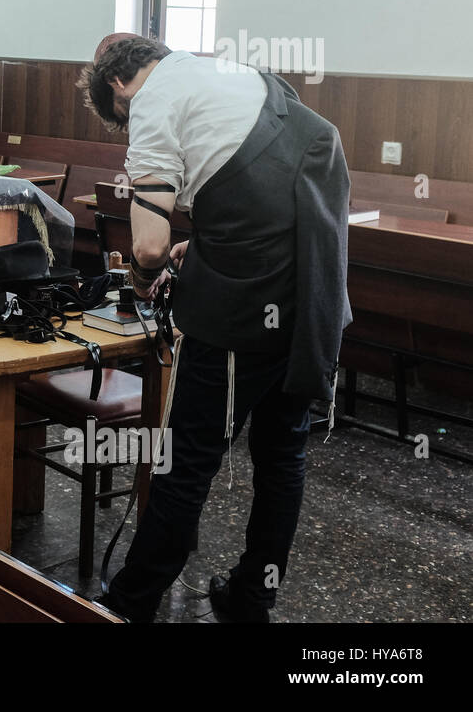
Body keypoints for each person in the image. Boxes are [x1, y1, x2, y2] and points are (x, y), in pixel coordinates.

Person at [78, 35, 351, 623]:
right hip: (312, 295)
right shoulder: (235, 74)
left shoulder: (150, 99)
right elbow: (262, 190)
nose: (129, 129)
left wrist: (146, 276)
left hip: (242, 311)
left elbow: (147, 245)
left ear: (120, 86)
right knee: (282, 457)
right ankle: (253, 598)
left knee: (185, 462)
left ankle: (130, 606)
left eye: (120, 118)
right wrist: (203, 244)